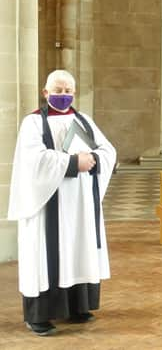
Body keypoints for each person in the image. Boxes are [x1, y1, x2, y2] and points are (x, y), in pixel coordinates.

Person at [7, 70, 116, 335]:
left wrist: (95, 160)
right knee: (47, 255)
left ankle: (77, 307)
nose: (63, 95)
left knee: (78, 249)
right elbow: (34, 161)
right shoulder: (33, 123)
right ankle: (40, 316)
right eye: (57, 90)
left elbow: (107, 150)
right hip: (48, 204)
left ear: (75, 93)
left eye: (68, 91)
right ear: (45, 93)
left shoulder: (84, 120)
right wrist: (71, 163)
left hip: (79, 204)